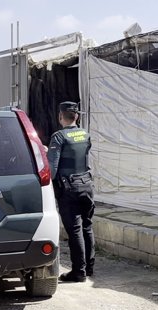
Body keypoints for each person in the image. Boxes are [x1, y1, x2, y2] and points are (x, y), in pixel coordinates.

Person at [47, 101, 95, 282]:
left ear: (60, 116)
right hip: (87, 185)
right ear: (77, 116)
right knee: (87, 227)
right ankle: (89, 268)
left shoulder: (59, 137)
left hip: (69, 189)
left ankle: (78, 272)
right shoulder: (85, 134)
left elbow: (51, 170)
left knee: (75, 231)